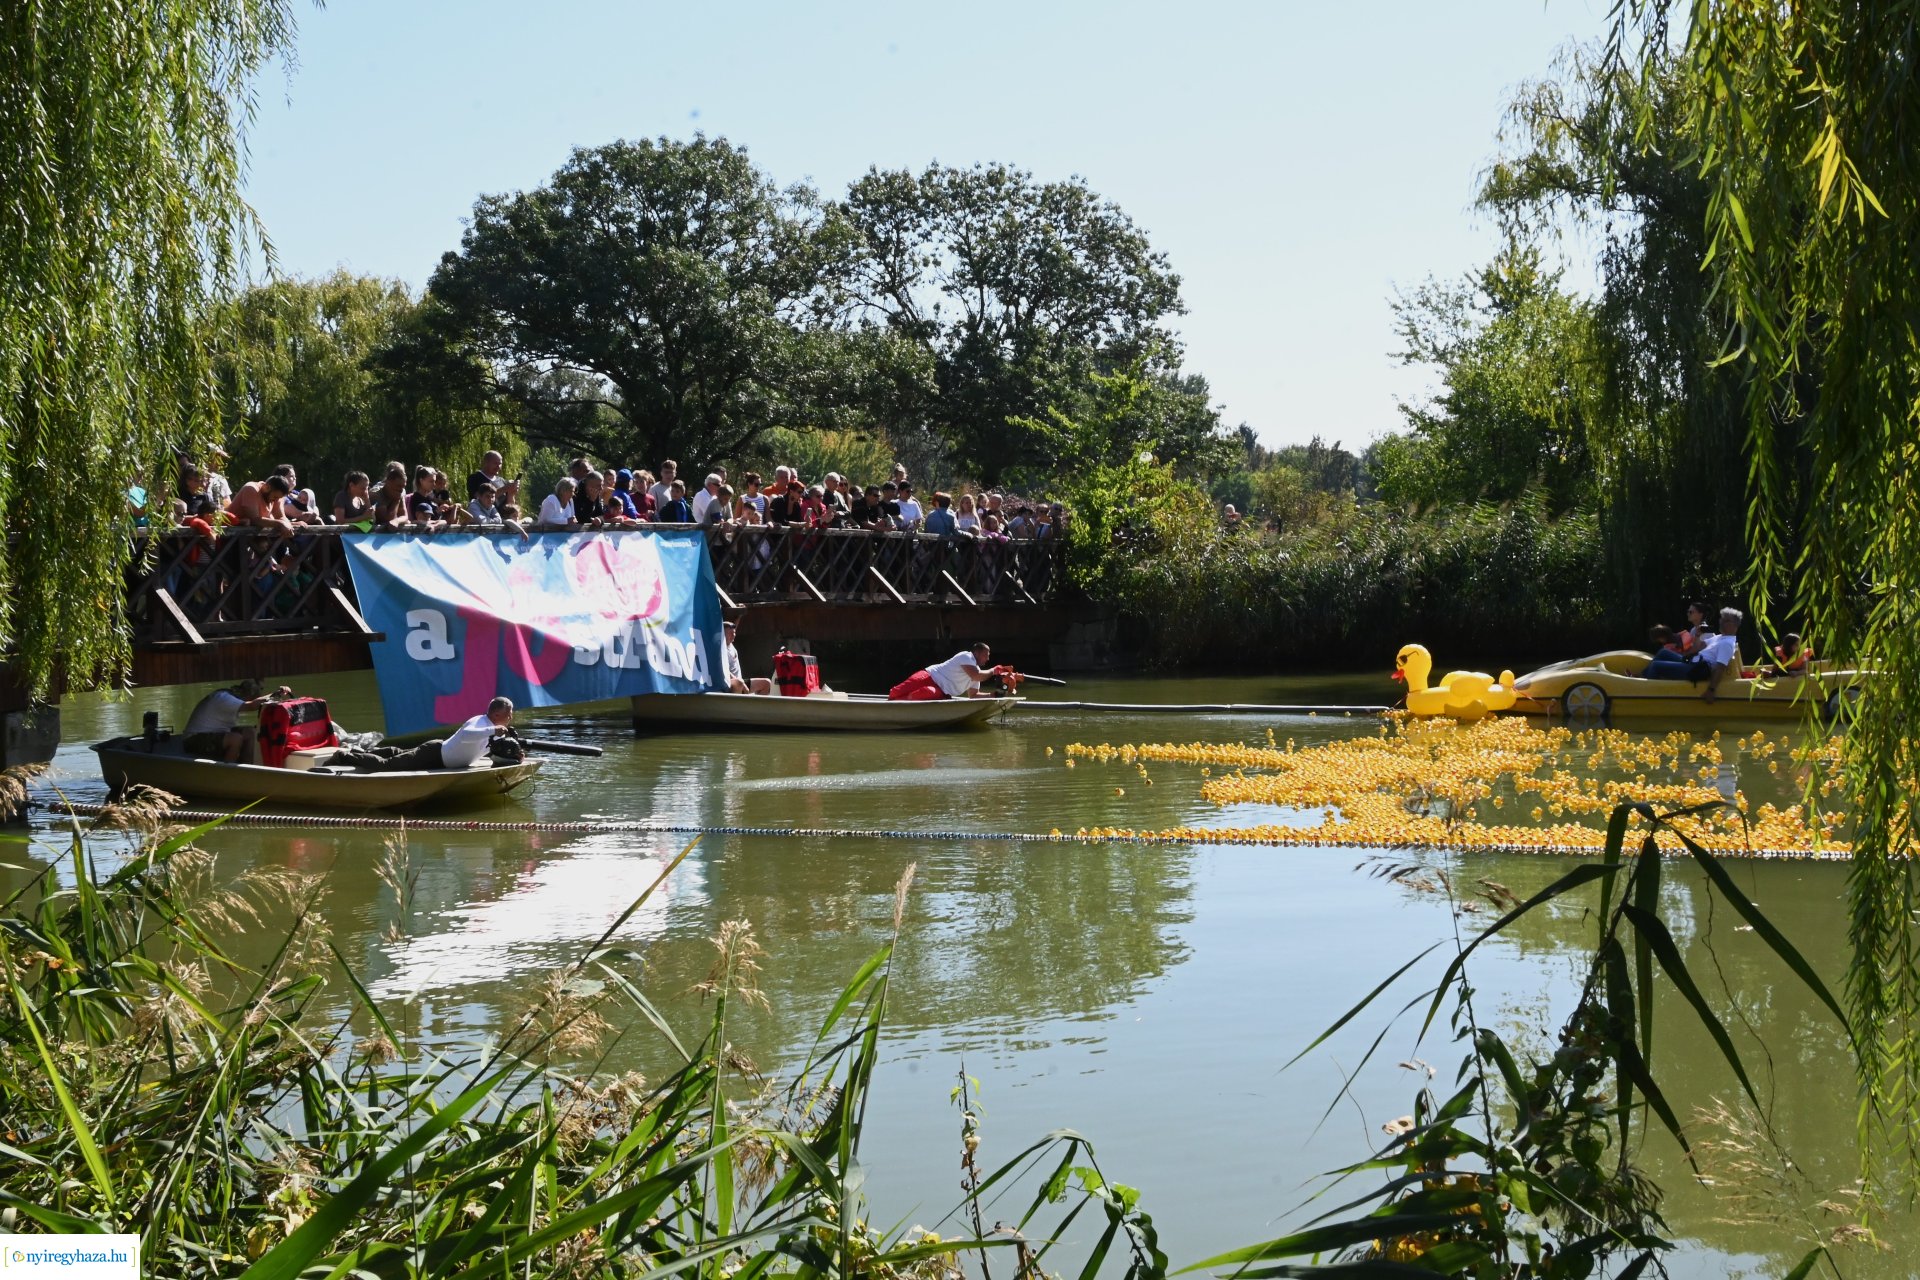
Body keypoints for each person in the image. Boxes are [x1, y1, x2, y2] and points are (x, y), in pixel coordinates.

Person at [356, 697, 516, 772]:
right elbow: (466, 735)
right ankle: (344, 757)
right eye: (509, 713)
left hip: (440, 758)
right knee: (385, 766)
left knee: (398, 754)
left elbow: (497, 753)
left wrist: (515, 746)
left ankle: (363, 753)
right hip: (434, 754)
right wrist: (494, 730)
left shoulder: (496, 732)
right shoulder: (480, 722)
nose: (511, 717)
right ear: (496, 715)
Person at [182, 679, 292, 762]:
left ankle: (247, 767)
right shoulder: (224, 698)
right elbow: (251, 706)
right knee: (235, 739)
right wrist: (276, 693)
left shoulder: (231, 696)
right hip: (193, 740)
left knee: (249, 732)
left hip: (216, 733)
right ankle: (229, 773)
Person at [888, 643, 1014, 701]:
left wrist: (994, 695)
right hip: (929, 676)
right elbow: (976, 675)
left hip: (940, 692)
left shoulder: (977, 672)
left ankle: (897, 704)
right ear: (976, 653)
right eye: (985, 655)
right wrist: (993, 671)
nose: (988, 658)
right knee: (895, 692)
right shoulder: (966, 656)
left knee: (927, 693)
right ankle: (893, 701)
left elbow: (973, 695)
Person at [1697, 606, 1744, 703]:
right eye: (1722, 619)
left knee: (1658, 666)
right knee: (1664, 653)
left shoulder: (1726, 643)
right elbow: (1698, 647)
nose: (1721, 622)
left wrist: (1711, 690)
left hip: (1697, 668)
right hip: (1693, 661)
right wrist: (1698, 634)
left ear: (1735, 626)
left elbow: (1720, 668)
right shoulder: (1719, 637)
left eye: (1726, 621)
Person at [228, 473, 294, 532]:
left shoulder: (276, 494)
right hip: (229, 534)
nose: (276, 500)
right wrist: (280, 524)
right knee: (263, 544)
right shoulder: (251, 489)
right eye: (275, 497)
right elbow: (255, 520)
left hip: (251, 534)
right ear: (267, 487)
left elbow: (280, 516)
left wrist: (289, 525)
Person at [203, 442, 233, 512]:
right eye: (216, 458)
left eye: (220, 458)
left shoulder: (221, 479)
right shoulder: (196, 477)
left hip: (219, 517)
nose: (219, 463)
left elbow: (227, 504)